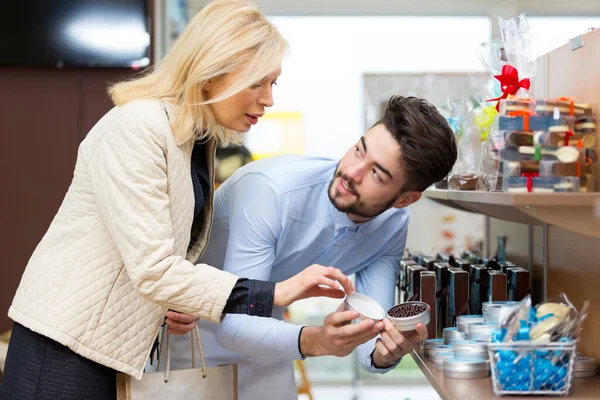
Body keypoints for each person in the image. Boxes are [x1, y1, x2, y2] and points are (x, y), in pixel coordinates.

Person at [0, 1, 353, 399]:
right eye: (258, 82)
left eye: (274, 83)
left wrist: (175, 302)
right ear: (213, 70)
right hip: (64, 344)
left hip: (103, 346)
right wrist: (276, 292)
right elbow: (153, 268)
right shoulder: (138, 128)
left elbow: (149, 258)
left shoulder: (194, 141)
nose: (269, 99)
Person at [165, 95, 459, 400]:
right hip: (192, 336)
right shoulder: (271, 190)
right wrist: (316, 340)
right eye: (359, 150)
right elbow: (234, 326)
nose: (352, 173)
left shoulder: (393, 223)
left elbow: (372, 334)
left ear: (404, 199)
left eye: (376, 173)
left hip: (271, 341)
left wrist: (386, 352)